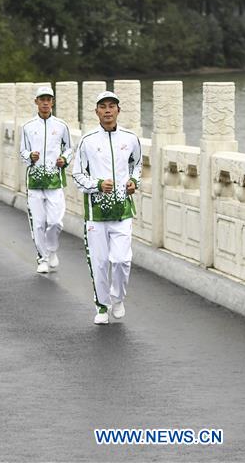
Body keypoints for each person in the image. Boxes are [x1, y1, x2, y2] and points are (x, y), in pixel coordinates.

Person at [72, 91, 142, 325]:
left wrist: (134, 182)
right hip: (96, 213)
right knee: (100, 262)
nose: (108, 110)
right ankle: (102, 306)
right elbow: (77, 175)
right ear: (97, 112)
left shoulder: (131, 138)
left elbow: (138, 165)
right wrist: (98, 185)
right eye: (103, 107)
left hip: (122, 210)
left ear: (119, 111)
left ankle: (118, 297)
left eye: (112, 106)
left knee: (122, 260)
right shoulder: (88, 140)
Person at [20, 86, 72, 274]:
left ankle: (52, 250)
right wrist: (29, 157)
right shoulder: (27, 127)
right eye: (42, 99)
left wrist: (64, 160)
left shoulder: (61, 126)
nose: (45, 102)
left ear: (53, 102)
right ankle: (42, 258)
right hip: (34, 183)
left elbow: (69, 149)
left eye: (48, 99)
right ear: (36, 102)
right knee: (39, 223)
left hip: (54, 181)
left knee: (56, 222)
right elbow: (22, 151)